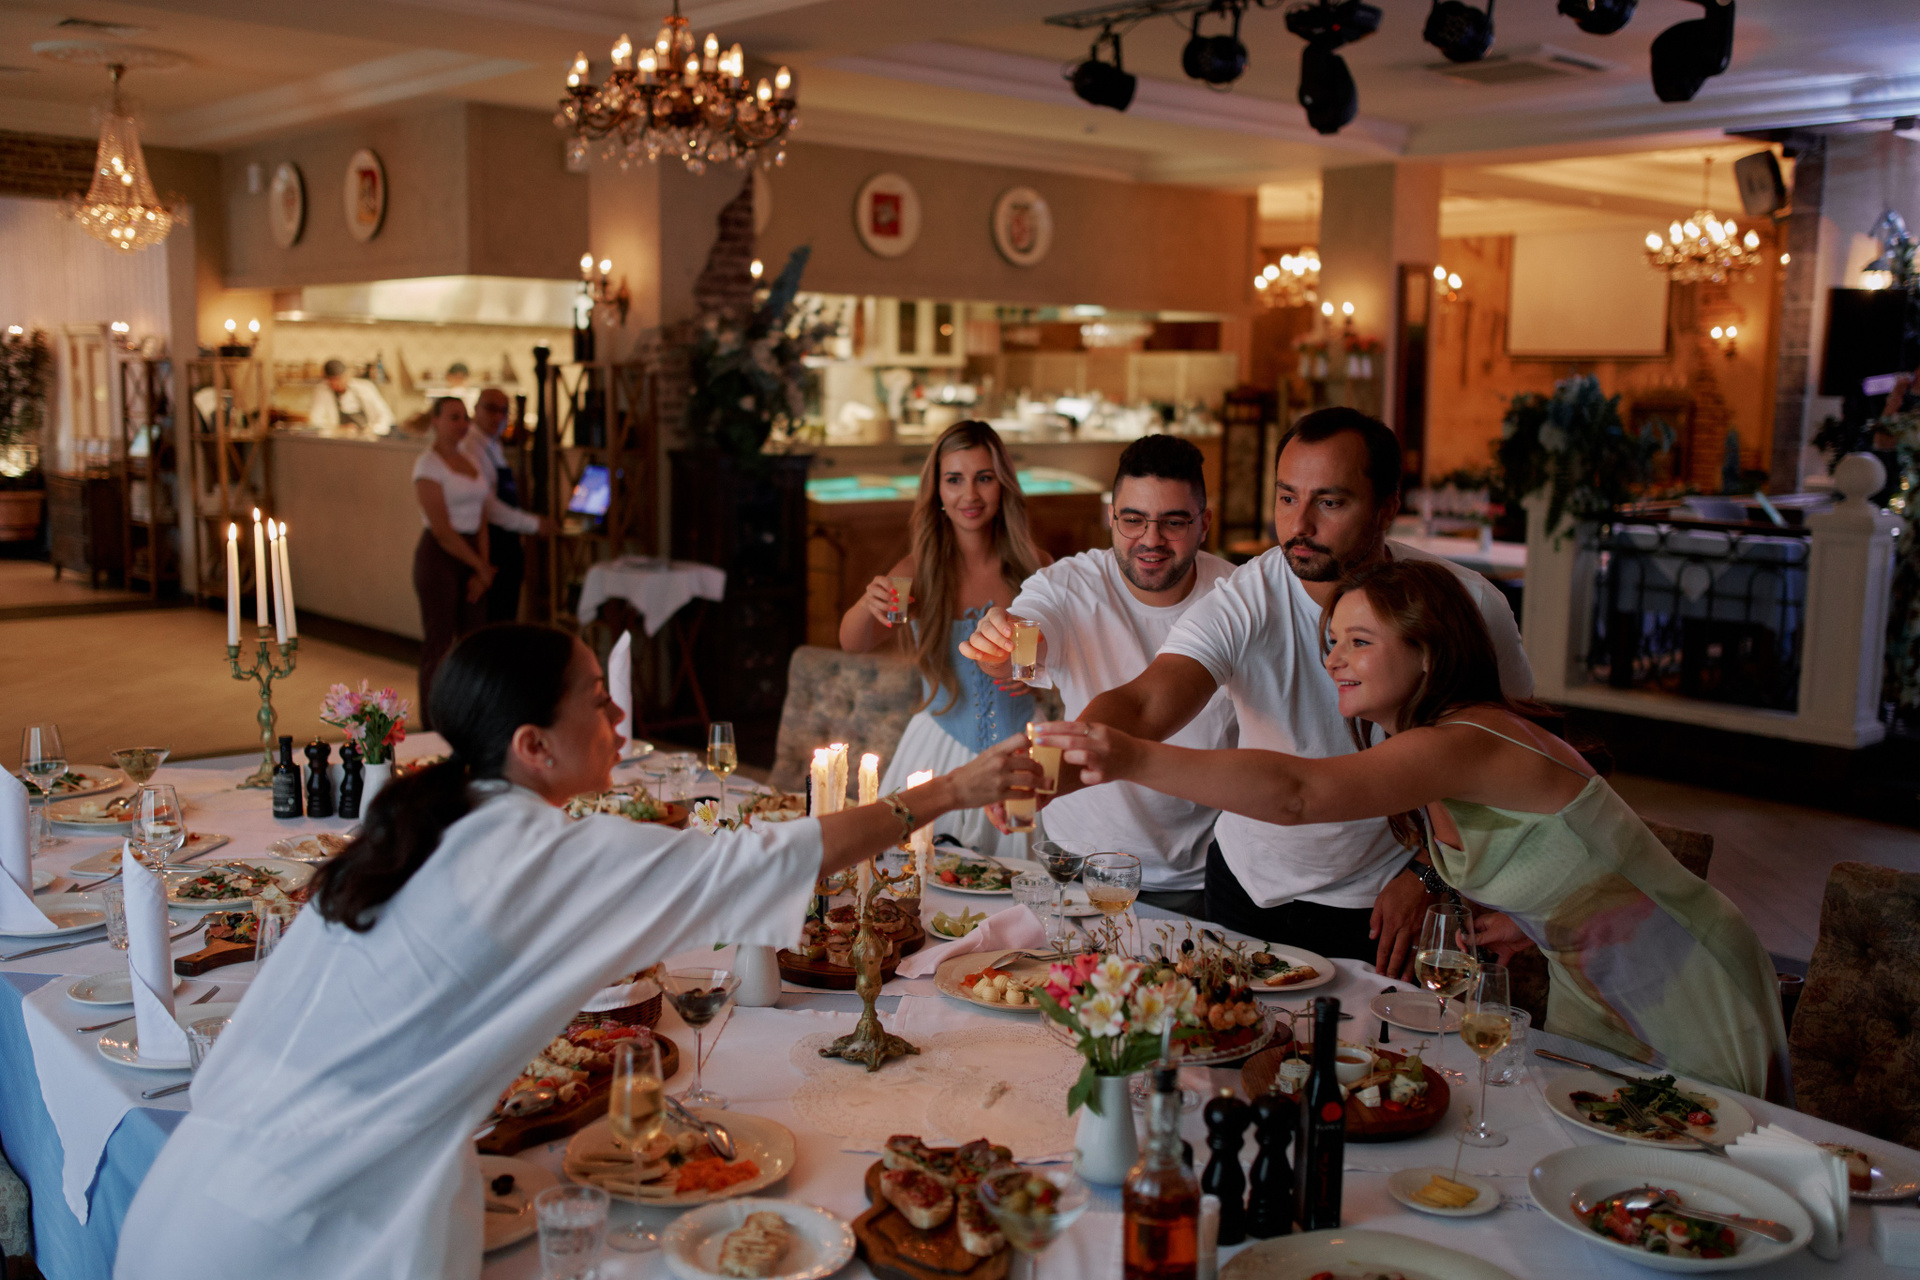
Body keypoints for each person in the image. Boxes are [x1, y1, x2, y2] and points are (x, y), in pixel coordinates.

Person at [114, 624, 1038, 1280]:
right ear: (533, 746)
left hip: (193, 1196)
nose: (619, 716)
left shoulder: (432, 822)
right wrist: (949, 791)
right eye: (597, 701)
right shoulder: (536, 852)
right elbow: (769, 858)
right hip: (303, 1235)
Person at [1036, 558, 1787, 1097]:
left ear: (1427, 652)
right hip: (1596, 972)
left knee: (1697, 1174)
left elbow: (1298, 793)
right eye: (1333, 640)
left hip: (1689, 975)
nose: (1335, 660)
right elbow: (1577, 846)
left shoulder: (1463, 741)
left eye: (1360, 642)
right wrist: (1544, 913)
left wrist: (1131, 756)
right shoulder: (1435, 743)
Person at [1074, 408, 1532, 973]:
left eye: (1330, 502)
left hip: (1387, 902)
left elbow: (1510, 761)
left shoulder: (1468, 603)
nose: (1299, 525)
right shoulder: (1244, 598)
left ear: (1387, 507)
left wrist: (1429, 874)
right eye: (1287, 497)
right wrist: (1061, 753)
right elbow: (1146, 701)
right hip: (1247, 885)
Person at [957, 435, 1235, 916]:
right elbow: (1025, 637)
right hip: (1075, 861)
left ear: (1204, 524)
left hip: (1196, 872)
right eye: (1133, 519)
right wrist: (999, 642)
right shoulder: (1067, 584)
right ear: (1111, 516)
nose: (1150, 539)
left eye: (1173, 522)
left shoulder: (1237, 596)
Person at [840, 420, 1048, 858]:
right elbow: (854, 642)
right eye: (954, 479)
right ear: (936, 490)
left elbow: (1069, 654)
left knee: (1021, 882)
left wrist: (1039, 674)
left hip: (1022, 752)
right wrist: (867, 603)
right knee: (919, 874)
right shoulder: (917, 570)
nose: (969, 495)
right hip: (936, 751)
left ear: (1004, 485)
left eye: (984, 478)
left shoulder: (1035, 567)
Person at [412, 397, 496, 726]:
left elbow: (482, 517)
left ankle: (471, 719)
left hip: (474, 555)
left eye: (464, 417)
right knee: (440, 642)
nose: (462, 424)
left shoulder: (470, 458)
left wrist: (483, 568)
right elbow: (442, 530)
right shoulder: (428, 465)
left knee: (475, 642)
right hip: (440, 556)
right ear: (435, 421)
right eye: (453, 417)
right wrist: (480, 566)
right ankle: (432, 724)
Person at [464, 388, 550, 624]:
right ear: (476, 409)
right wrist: (531, 524)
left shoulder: (493, 444)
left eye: (504, 411)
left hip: (506, 539)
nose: (498, 417)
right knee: (494, 619)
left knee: (506, 615)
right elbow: (487, 506)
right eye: (491, 409)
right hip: (492, 541)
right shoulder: (471, 446)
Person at [306, 359, 394, 434]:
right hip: (338, 440)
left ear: (347, 375)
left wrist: (373, 429)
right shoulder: (322, 391)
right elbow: (315, 422)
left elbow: (385, 416)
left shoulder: (365, 387)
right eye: (333, 382)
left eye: (340, 379)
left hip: (369, 437)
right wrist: (339, 429)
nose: (338, 384)